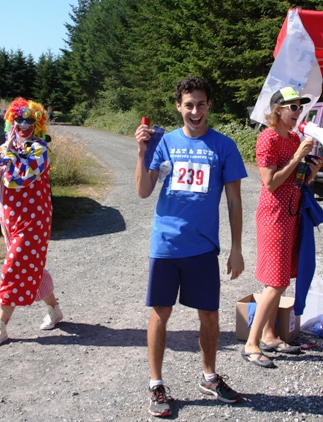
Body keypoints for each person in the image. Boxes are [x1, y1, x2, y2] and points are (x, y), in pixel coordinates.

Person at [135, 75, 248, 417]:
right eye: (188, 105)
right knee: (161, 312)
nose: (195, 111)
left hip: (202, 248)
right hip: (166, 245)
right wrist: (142, 152)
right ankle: (156, 384)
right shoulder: (163, 142)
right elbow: (143, 191)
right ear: (178, 107)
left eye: (200, 104)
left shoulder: (224, 145)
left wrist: (237, 248)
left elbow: (234, 202)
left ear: (208, 105)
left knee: (210, 315)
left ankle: (210, 377)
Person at [241, 87, 323, 368]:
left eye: (300, 108)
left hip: (292, 214)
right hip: (274, 215)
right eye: (293, 108)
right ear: (278, 110)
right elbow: (271, 182)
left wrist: (311, 168)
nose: (297, 112)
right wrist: (298, 156)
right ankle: (252, 344)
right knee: (275, 282)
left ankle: (269, 335)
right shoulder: (268, 139)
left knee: (280, 280)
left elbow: (298, 182)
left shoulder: (295, 138)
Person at [0, 97, 63, 347]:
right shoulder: (6, 148)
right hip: (10, 219)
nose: (23, 124)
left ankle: (1, 326)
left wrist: (1, 156)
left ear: (37, 123)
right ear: (11, 121)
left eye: (29, 120)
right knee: (31, 266)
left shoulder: (39, 148)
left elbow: (20, 177)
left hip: (33, 220)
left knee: (15, 266)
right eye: (18, 119)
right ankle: (55, 310)